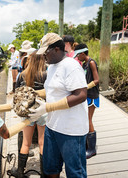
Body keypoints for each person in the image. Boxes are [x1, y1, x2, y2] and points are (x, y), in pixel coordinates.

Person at [29, 33, 88, 178]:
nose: (43, 57)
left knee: (75, 172)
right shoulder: (52, 66)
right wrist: (31, 94)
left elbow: (81, 95)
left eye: (46, 53)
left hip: (71, 131)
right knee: (51, 169)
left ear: (57, 49)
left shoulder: (71, 66)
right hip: (52, 127)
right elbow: (53, 90)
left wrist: (48, 107)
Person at [14, 50, 47, 177]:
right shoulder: (46, 74)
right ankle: (44, 174)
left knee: (26, 143)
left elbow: (16, 91)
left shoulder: (22, 74)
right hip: (42, 110)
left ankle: (20, 171)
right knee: (42, 143)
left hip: (27, 111)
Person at [75, 44, 99, 159]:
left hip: (92, 95)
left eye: (78, 55)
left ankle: (92, 149)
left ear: (83, 53)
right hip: (86, 95)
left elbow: (97, 80)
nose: (77, 57)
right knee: (84, 119)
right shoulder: (84, 64)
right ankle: (85, 146)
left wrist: (85, 87)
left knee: (88, 119)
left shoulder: (91, 63)